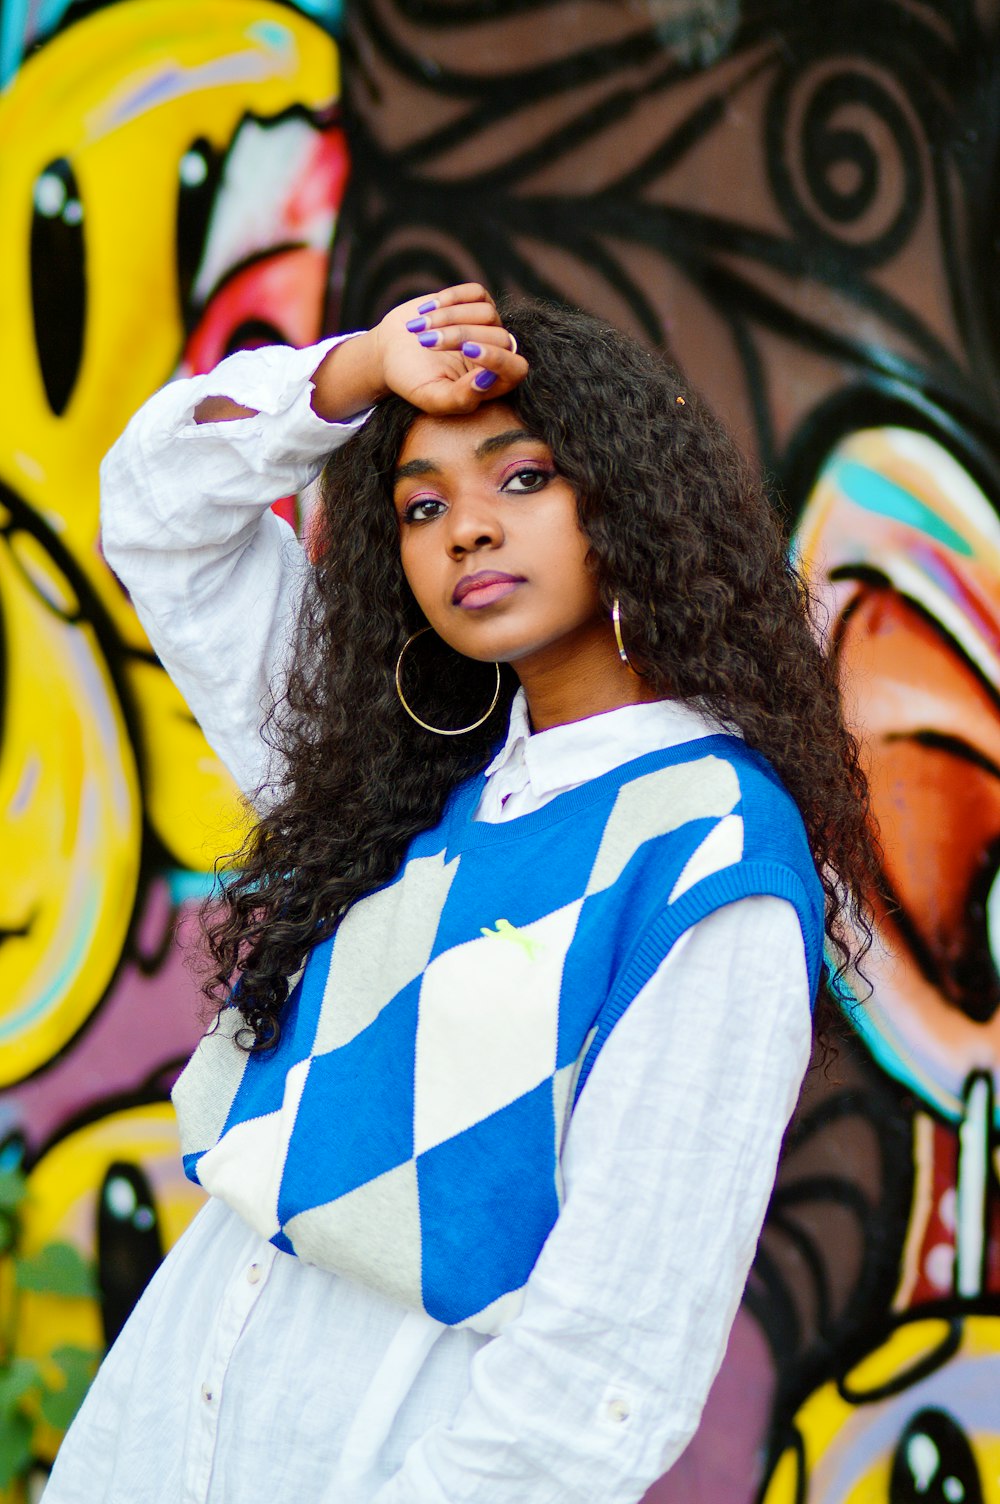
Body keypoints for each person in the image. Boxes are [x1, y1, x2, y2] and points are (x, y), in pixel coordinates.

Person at [45, 284, 874, 1503]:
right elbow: (160, 513)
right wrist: (359, 372)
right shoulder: (392, 767)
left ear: (628, 499)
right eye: (422, 505)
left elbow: (609, 1356)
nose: (466, 531)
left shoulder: (711, 849)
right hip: (170, 1392)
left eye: (522, 479)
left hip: (395, 1432)